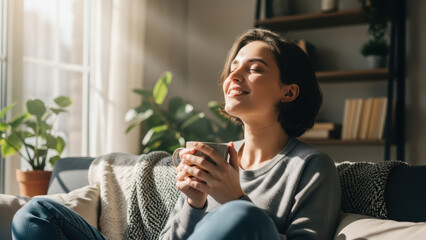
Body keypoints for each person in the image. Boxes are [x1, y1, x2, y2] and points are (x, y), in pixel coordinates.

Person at [12, 28, 341, 240]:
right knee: (36, 213)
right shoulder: (216, 156)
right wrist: (193, 203)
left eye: (254, 69)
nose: (234, 74)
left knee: (241, 216)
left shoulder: (310, 167)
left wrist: (236, 199)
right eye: (234, 67)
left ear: (289, 92)